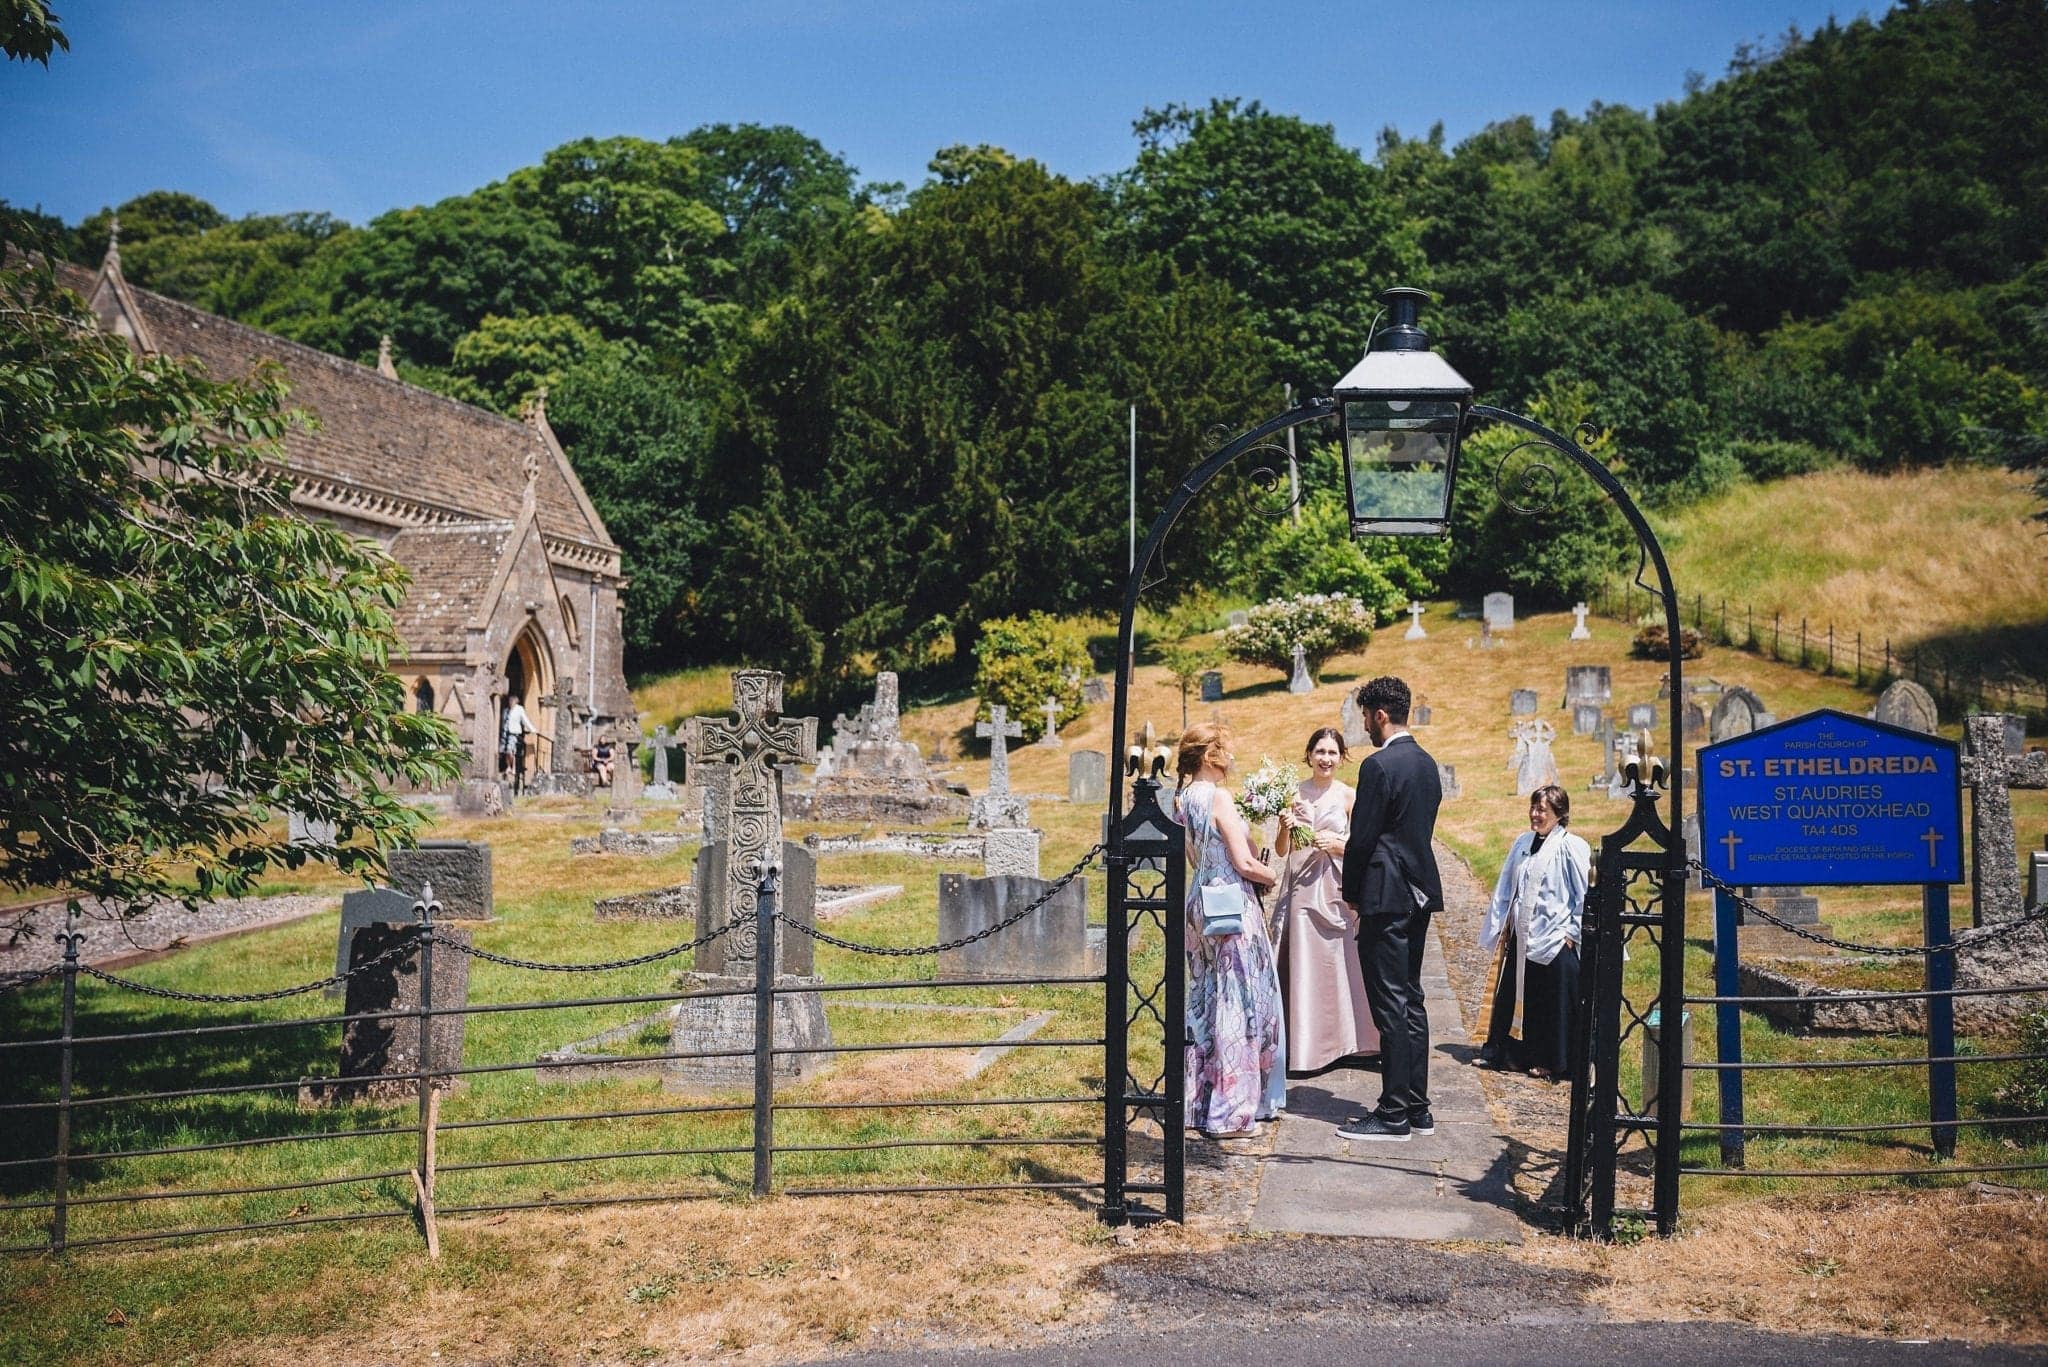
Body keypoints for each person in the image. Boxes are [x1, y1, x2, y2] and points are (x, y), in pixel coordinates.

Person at [1337, 675, 1444, 1142]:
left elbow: (1361, 839)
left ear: (1381, 714)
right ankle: (1418, 1107)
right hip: (1418, 891)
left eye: (1365, 716)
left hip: (1385, 894)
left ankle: (1393, 1112)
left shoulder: (1378, 766)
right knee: (1412, 999)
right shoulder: (1427, 763)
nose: (1363, 725)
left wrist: (1352, 892)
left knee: (1390, 1004)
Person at [1174, 721, 1285, 1139]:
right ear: (1209, 757)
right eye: (1226, 751)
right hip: (1232, 907)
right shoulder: (1219, 796)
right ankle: (1232, 1111)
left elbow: (1191, 857)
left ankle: (1199, 1103)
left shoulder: (1183, 799)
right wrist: (1270, 876)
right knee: (1238, 1001)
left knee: (1206, 998)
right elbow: (1244, 863)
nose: (1232, 759)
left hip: (1199, 905)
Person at [1274, 727, 1379, 1073]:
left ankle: (1356, 1043)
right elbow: (1281, 850)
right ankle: (1307, 1048)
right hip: (1302, 889)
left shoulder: (1349, 796)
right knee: (1307, 966)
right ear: (1309, 755)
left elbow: (1364, 847)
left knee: (1343, 961)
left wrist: (1338, 846)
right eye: (1320, 751)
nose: (1326, 759)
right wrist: (1286, 826)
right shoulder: (1294, 793)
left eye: (1333, 753)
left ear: (1341, 757)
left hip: (1336, 887)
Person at [1479, 784, 1591, 1080]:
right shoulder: (1523, 842)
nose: (1534, 814)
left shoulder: (1571, 846)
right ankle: (1515, 1055)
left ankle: (1552, 1060)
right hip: (1524, 935)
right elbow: (1507, 883)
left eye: (1542, 810)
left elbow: (1583, 893)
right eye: (1533, 807)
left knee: (1550, 1003)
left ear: (1559, 813)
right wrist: (1502, 921)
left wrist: (1572, 932)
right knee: (1521, 997)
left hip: (1554, 939)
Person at [500, 697, 535, 789]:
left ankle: (513, 767)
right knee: (505, 751)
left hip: (514, 733)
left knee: (511, 751)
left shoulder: (519, 709)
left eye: (512, 700)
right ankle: (508, 766)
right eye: (509, 700)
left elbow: (525, 720)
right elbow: (502, 721)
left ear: (516, 701)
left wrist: (532, 729)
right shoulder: (506, 710)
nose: (510, 702)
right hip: (505, 732)